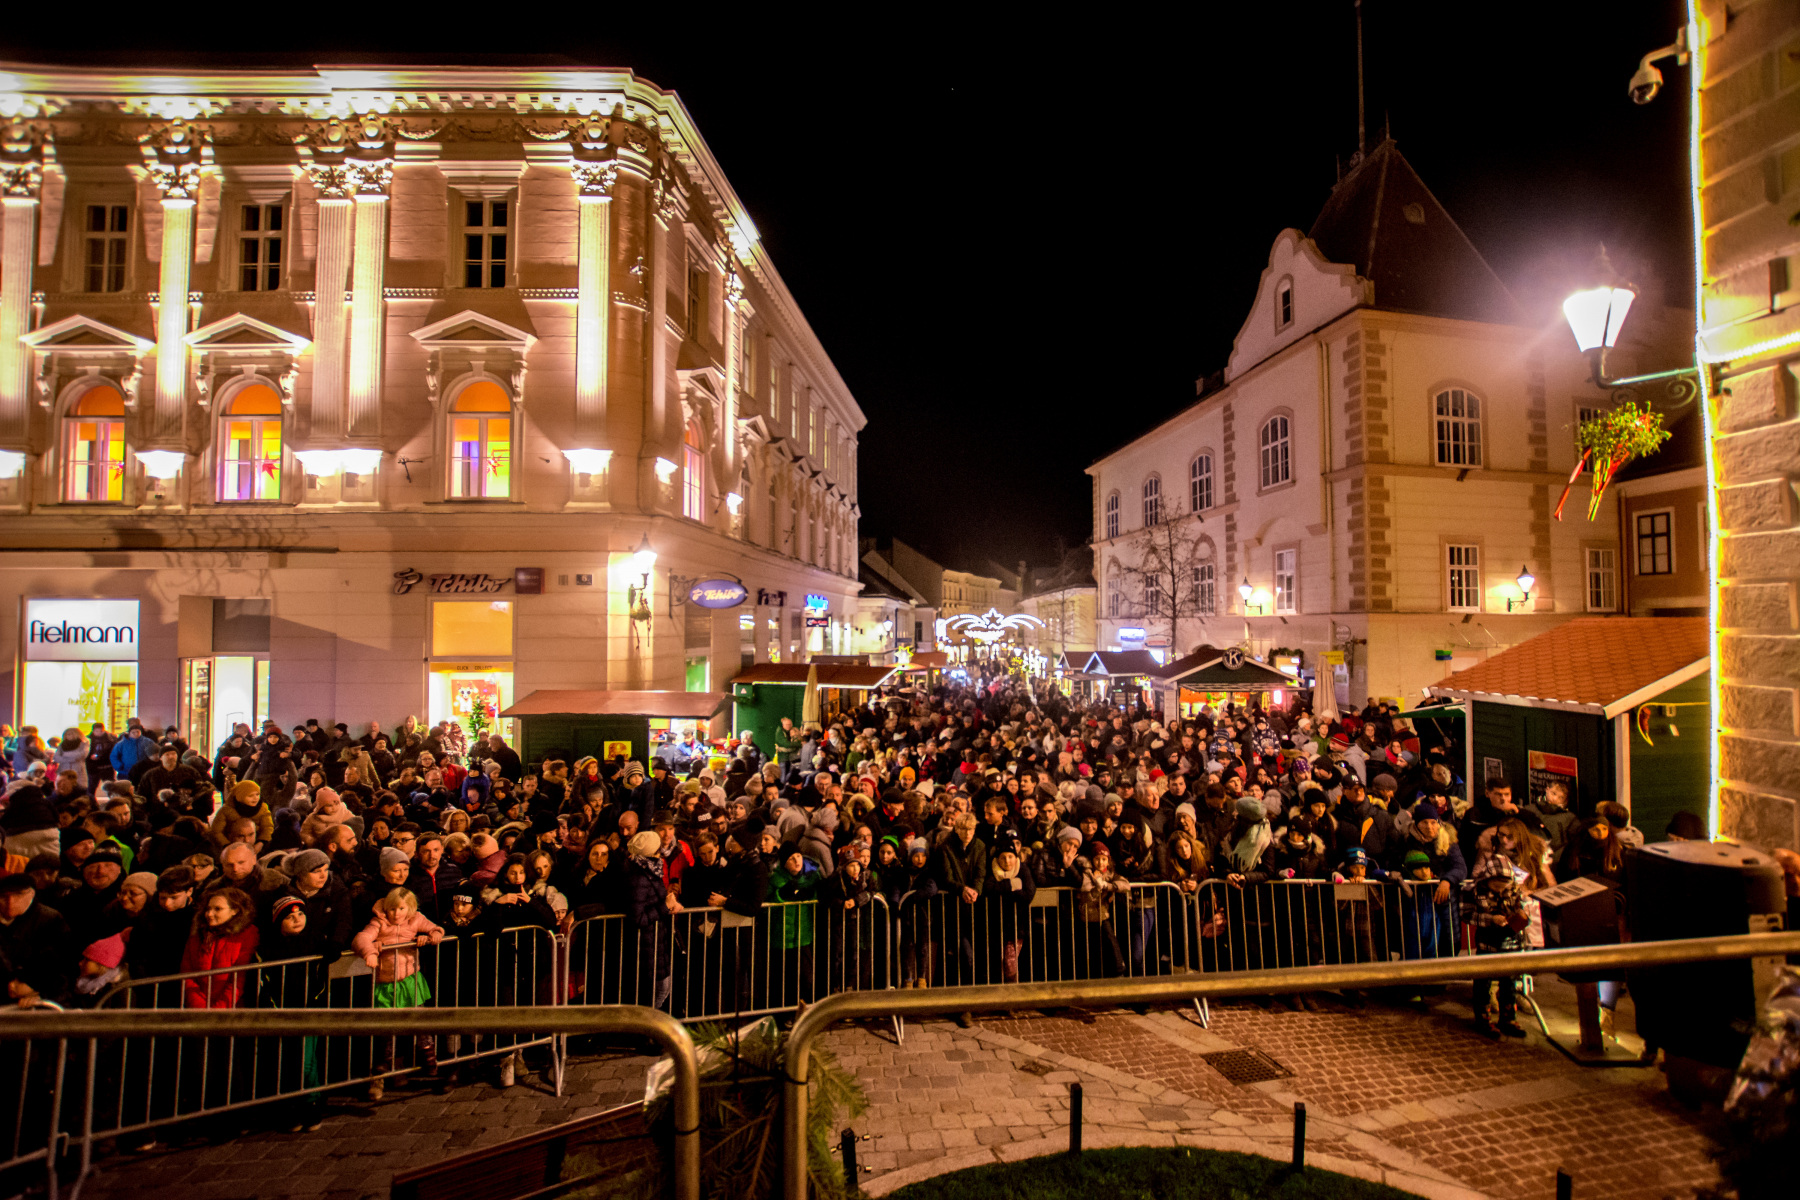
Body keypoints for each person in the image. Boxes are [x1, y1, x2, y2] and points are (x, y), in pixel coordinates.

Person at [352, 887, 445, 1100]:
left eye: (401, 909)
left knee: (418, 1019)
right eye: (392, 909)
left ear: (409, 908)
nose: (396, 914)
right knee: (388, 1025)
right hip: (386, 982)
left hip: (409, 978)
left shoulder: (415, 919)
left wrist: (432, 935)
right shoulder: (379, 922)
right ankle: (385, 1064)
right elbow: (361, 938)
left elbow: (436, 928)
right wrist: (370, 952)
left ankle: (429, 1056)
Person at [1466, 855, 1530, 1039]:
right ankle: (1483, 1019)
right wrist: (1490, 919)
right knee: (1483, 983)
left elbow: (1522, 909)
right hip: (1487, 942)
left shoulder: (1514, 891)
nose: (1500, 888)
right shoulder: (1475, 891)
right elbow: (1467, 914)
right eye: (1496, 884)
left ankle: (1508, 1018)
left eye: (1504, 884)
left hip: (1511, 942)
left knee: (1509, 983)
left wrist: (1520, 916)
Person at [181, 887, 260, 1008]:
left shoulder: (247, 934)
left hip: (231, 1009)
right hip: (197, 1010)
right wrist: (199, 1007)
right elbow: (187, 973)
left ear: (235, 910)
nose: (209, 914)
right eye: (208, 909)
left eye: (218, 909)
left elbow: (239, 978)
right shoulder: (198, 933)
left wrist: (219, 1009)